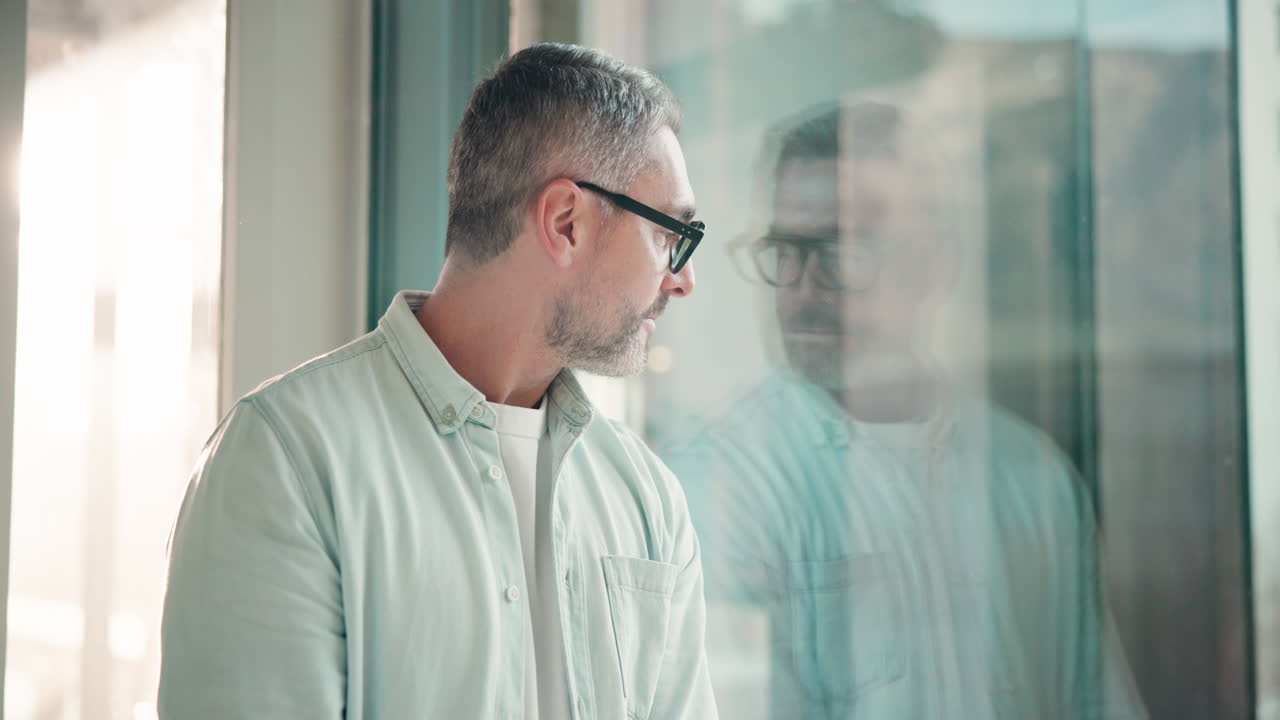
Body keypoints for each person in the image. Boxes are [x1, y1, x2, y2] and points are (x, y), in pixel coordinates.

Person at [159, 43, 718, 720]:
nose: (682, 280)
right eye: (671, 235)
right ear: (565, 222)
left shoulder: (648, 498)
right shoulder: (285, 462)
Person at [665, 102, 1147, 718]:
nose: (803, 290)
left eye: (842, 253)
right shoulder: (715, 489)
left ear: (934, 265)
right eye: (785, 253)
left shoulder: (1034, 479)